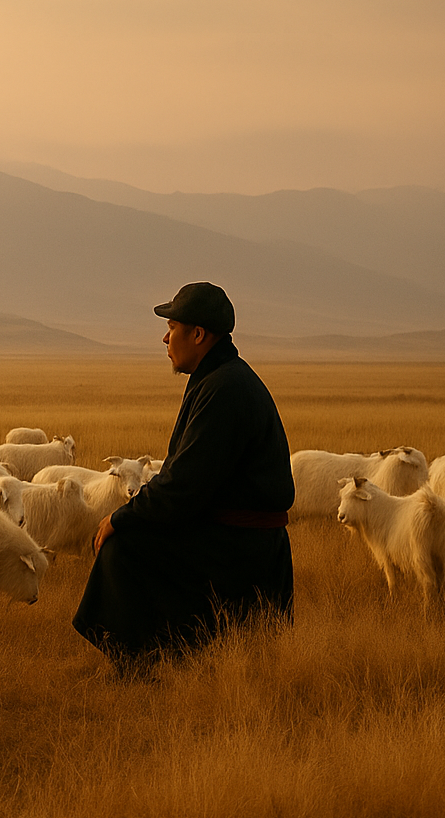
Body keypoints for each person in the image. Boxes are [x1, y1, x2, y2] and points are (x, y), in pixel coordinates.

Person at [72, 282, 294, 676]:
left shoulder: (224, 388)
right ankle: (166, 657)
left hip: (238, 550)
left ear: (198, 334)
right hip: (243, 542)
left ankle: (143, 662)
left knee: (125, 547)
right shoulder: (223, 378)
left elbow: (182, 486)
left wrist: (120, 517)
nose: (164, 337)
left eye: (172, 326)